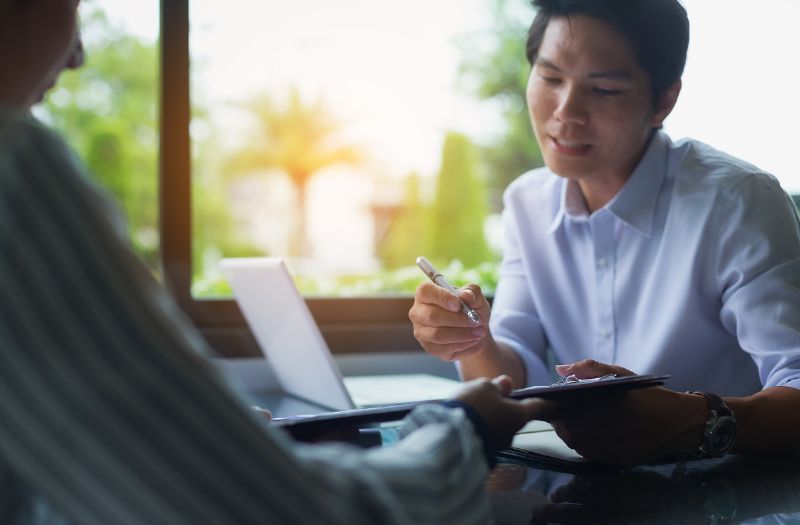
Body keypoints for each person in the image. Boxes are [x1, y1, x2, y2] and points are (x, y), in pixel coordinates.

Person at [0, 1, 547, 523]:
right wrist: (463, 428)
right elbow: (291, 514)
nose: (78, 54)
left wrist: (208, 444)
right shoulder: (16, 172)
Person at [410, 0, 800, 466]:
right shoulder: (527, 203)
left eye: (605, 89)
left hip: (732, 496)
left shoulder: (736, 201)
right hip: (589, 492)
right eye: (551, 78)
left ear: (663, 100)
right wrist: (470, 339)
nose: (566, 112)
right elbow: (512, 374)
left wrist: (695, 421)